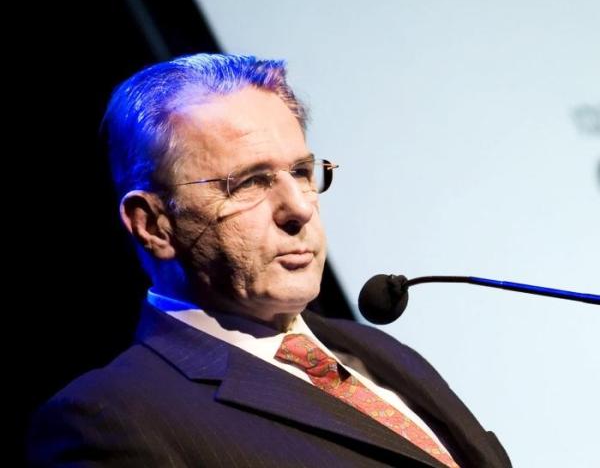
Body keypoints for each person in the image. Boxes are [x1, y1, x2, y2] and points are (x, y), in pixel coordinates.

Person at [27, 53, 511, 467]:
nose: (299, 208)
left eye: (301, 172)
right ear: (154, 224)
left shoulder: (375, 351)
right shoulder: (109, 418)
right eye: (250, 182)